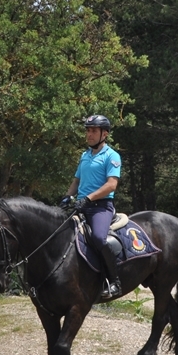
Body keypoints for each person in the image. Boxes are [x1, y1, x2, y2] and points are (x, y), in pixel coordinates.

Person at [60, 114, 122, 300]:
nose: (89, 134)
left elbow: (111, 185)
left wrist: (88, 198)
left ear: (105, 134)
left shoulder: (111, 156)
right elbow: (77, 180)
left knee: (98, 238)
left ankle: (114, 281)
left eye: (93, 131)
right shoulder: (85, 155)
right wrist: (67, 196)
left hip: (100, 207)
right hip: (81, 205)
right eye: (88, 130)